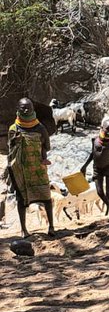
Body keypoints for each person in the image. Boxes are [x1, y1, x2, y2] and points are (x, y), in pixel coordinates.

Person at [6, 98, 56, 238]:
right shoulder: (13, 129)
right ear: (18, 109)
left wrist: (44, 158)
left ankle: (51, 227)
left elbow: (46, 146)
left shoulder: (40, 128)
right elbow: (10, 150)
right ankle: (23, 229)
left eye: (29, 107)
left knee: (46, 197)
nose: (26, 110)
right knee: (21, 199)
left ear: (33, 109)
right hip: (22, 171)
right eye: (23, 108)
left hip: (38, 169)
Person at [80, 118, 109, 225]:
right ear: (101, 128)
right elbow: (92, 154)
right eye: (108, 129)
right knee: (99, 192)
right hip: (97, 169)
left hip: (108, 169)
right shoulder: (94, 140)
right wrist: (84, 166)